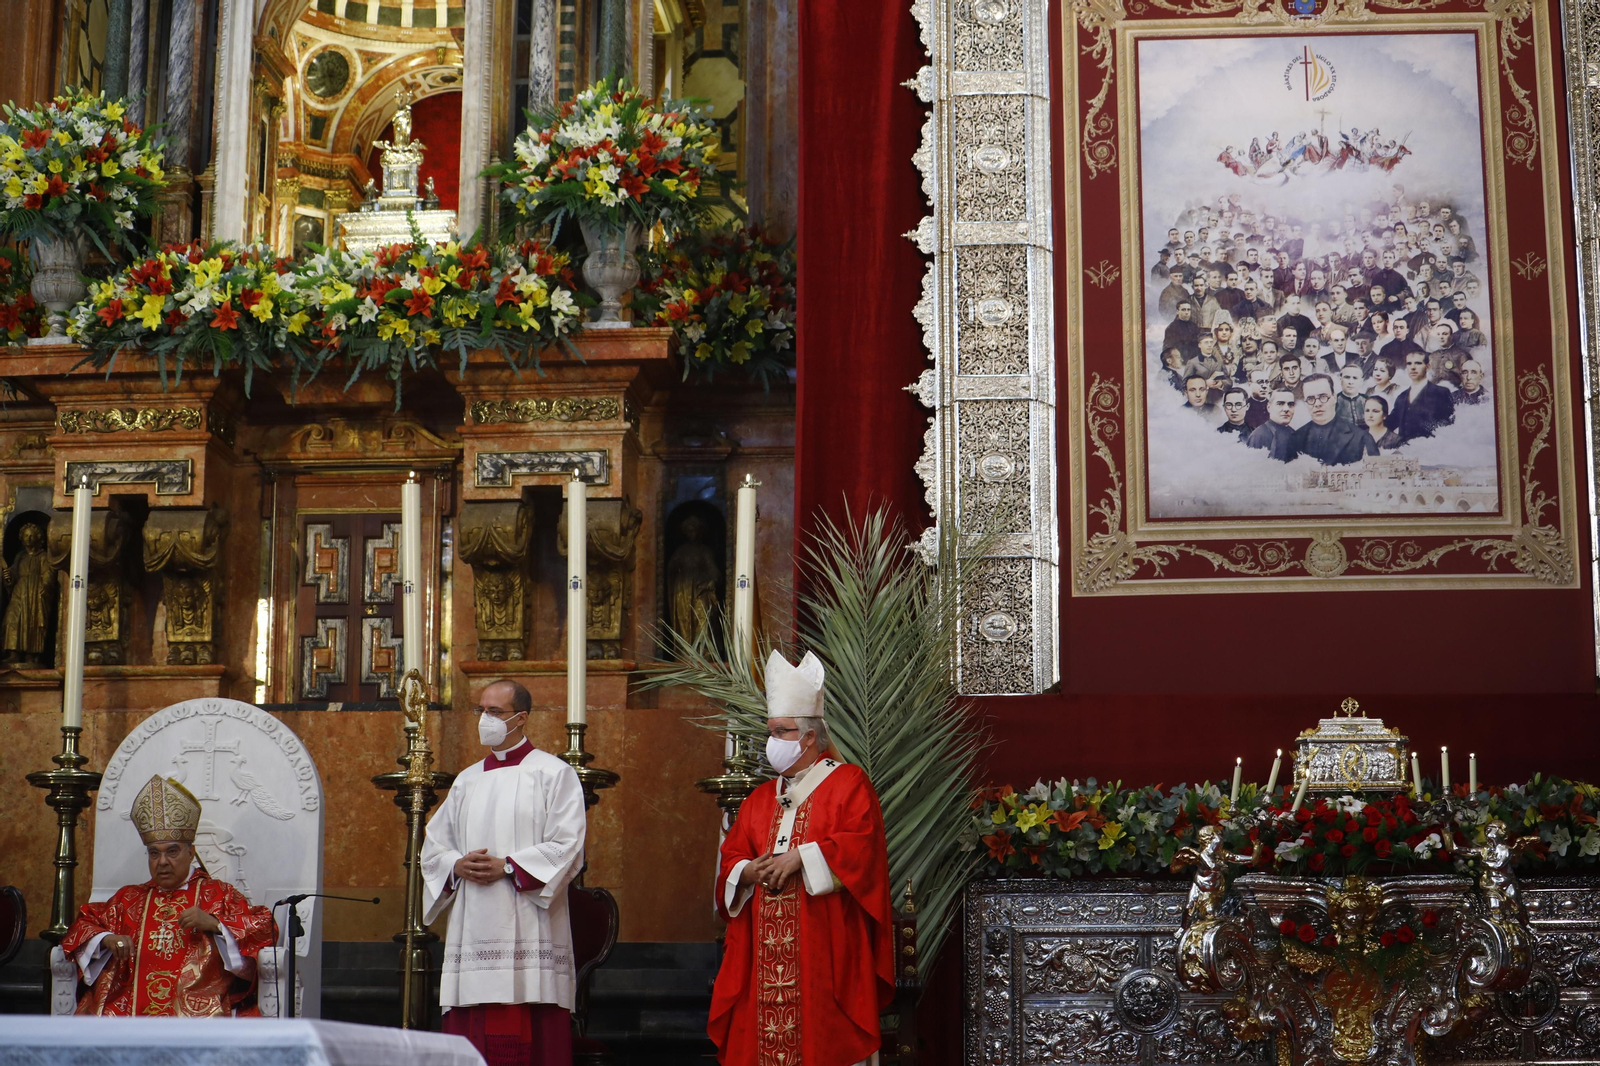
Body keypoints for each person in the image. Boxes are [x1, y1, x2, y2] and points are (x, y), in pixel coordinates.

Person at [710, 651, 895, 1066]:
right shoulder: (760, 798)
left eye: (781, 732)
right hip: (763, 953)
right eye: (770, 731)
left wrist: (801, 857)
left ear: (810, 737)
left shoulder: (848, 783)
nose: (771, 741)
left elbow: (862, 847)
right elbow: (732, 855)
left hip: (825, 944)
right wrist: (746, 870)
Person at [422, 679, 588, 1065]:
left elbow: (569, 845)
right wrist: (456, 864)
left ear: (521, 718)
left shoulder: (553, 773)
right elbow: (434, 846)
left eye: (494, 712)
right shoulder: (467, 780)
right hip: (474, 923)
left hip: (532, 920)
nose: (485, 719)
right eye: (481, 710)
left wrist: (510, 867)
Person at [60, 775, 276, 1016]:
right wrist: (107, 939)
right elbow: (81, 926)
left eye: (172, 852)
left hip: (196, 1015)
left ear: (191, 852)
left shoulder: (218, 894)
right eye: (154, 853)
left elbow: (265, 926)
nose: (162, 862)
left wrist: (215, 924)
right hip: (128, 1013)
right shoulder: (129, 898)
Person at [1293, 373, 1367, 465]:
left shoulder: (1360, 437)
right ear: (1305, 403)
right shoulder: (1295, 439)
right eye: (1310, 399)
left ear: (1334, 398)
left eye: (1323, 397)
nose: (1317, 404)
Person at [1390, 348, 1456, 441]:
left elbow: (1448, 426)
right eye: (1409, 363)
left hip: (1430, 450)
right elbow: (1391, 423)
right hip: (1405, 451)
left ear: (1427, 367)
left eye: (1418, 363)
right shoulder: (1401, 397)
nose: (1413, 367)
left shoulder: (1441, 393)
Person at [1247, 389, 1299, 461]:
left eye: (1290, 404)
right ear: (1269, 407)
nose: (1286, 409)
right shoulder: (1258, 436)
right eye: (1280, 404)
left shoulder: (1295, 434)